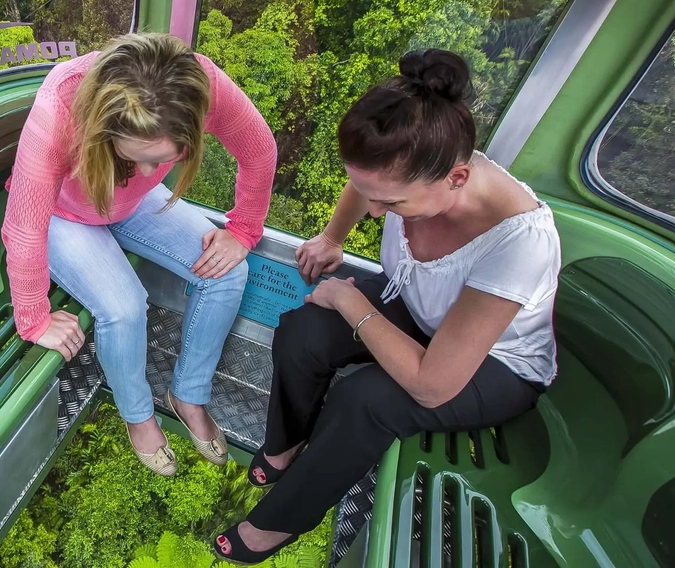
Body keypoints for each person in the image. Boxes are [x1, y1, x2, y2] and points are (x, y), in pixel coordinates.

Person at [211, 50, 559, 564]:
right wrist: (333, 237)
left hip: (495, 364)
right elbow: (367, 185)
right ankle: (286, 445)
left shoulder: (518, 242)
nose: (375, 212)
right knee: (305, 330)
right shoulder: (411, 166)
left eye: (392, 205)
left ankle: (280, 522)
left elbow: (431, 384)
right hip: (419, 308)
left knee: (365, 399)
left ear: (457, 179)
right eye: (369, 194)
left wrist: (349, 298)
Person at [2, 33, 277, 476]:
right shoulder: (61, 107)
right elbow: (23, 225)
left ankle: (188, 394)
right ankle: (137, 415)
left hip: (131, 203)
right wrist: (33, 316)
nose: (151, 171)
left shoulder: (203, 86)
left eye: (165, 158)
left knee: (228, 273)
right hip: (64, 212)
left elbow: (259, 149)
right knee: (125, 308)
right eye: (138, 157)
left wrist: (243, 230)